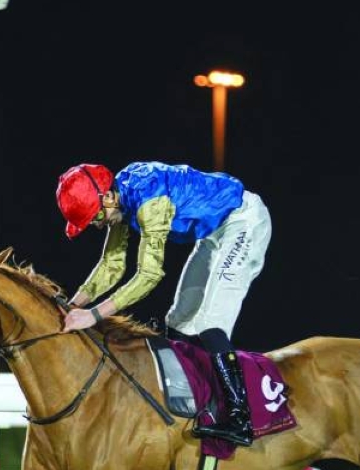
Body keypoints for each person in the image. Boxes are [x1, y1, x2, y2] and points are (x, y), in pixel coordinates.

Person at [55, 161, 272, 447]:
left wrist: (93, 315)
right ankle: (193, 401)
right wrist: (73, 305)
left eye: (95, 217)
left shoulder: (149, 201)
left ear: (107, 197)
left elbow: (149, 275)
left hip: (244, 222)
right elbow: (112, 264)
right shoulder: (119, 196)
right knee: (178, 320)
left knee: (210, 324)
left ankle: (240, 419)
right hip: (214, 232)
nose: (97, 225)